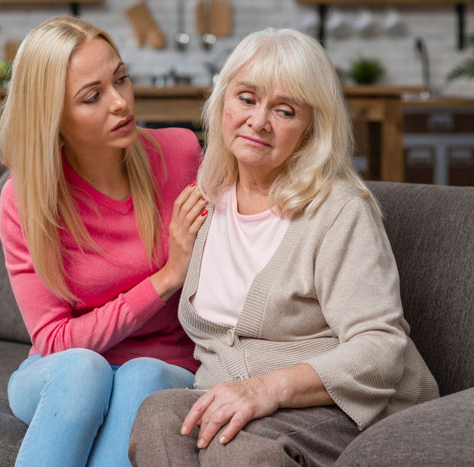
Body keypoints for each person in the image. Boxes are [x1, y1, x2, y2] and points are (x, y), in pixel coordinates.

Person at [129, 28, 439, 467]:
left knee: (235, 448)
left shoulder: (337, 211)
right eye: (247, 98)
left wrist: (266, 390)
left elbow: (380, 346)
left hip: (345, 407)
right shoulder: (206, 197)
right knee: (158, 416)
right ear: (221, 103)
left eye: (285, 110)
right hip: (240, 400)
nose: (259, 121)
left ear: (312, 127)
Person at [0, 16, 207, 467]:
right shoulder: (26, 197)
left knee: (140, 374)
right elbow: (54, 340)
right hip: (61, 374)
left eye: (121, 79)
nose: (120, 102)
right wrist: (167, 278)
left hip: (163, 367)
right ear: (52, 117)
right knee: (83, 367)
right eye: (92, 96)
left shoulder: (182, 155)